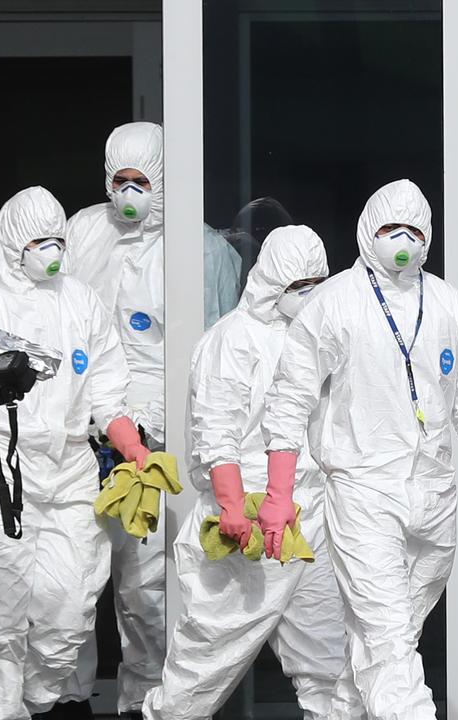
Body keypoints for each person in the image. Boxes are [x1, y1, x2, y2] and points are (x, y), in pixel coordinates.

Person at [260, 179, 458, 719]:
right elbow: (289, 401)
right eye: (388, 229)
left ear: (428, 238)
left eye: (414, 231)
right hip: (362, 491)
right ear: (366, 230)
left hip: (435, 495)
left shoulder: (451, 306)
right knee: (389, 644)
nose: (401, 241)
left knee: (386, 637)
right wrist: (278, 495)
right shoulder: (334, 304)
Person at [63, 121, 242, 716]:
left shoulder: (203, 250)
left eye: (141, 181)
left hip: (156, 443)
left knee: (148, 590)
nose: (128, 194)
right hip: (80, 436)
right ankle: (67, 697)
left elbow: (215, 356)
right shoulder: (83, 234)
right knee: (73, 579)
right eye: (119, 180)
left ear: (165, 180)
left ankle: (146, 702)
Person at [0, 186, 148, 720]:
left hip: (71, 468)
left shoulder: (83, 303)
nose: (52, 252)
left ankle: (34, 700)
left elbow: (108, 391)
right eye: (40, 241)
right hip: (1, 472)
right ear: (14, 244)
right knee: (0, 612)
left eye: (58, 240)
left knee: (73, 603)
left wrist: (132, 450)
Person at [144, 224, 354, 720]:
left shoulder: (317, 340)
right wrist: (233, 505)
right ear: (271, 283)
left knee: (327, 657)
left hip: (310, 514)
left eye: (317, 283)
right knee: (209, 655)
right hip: (250, 516)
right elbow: (217, 431)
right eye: (299, 286)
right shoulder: (233, 340)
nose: (310, 295)